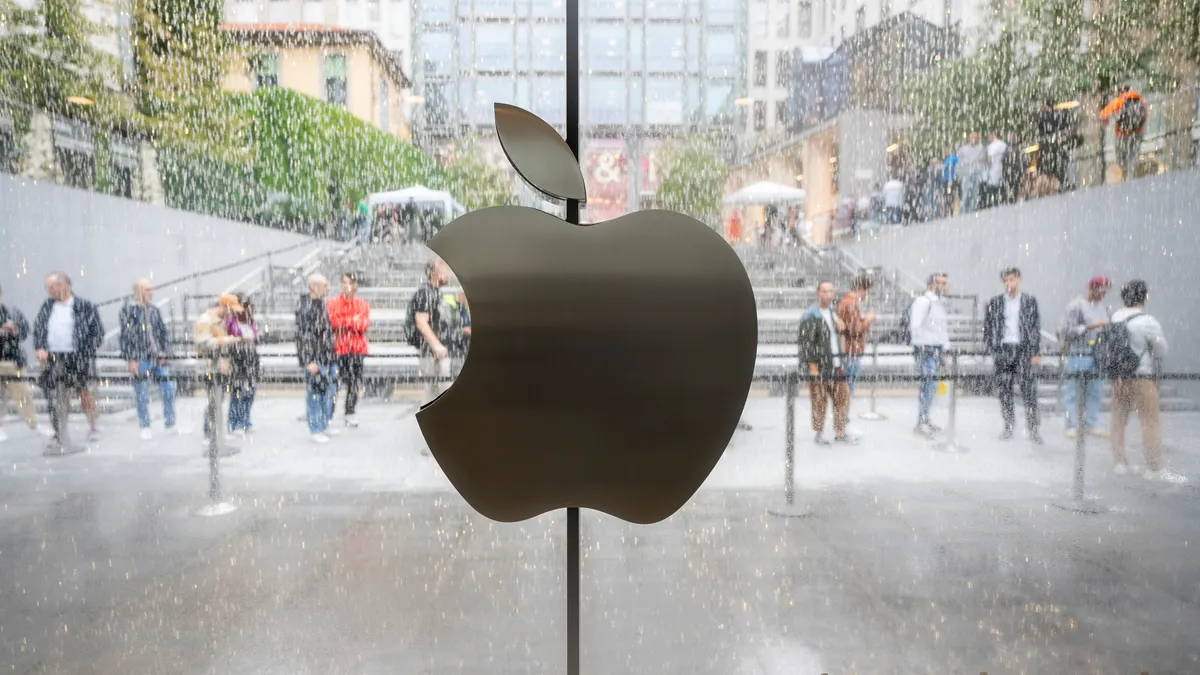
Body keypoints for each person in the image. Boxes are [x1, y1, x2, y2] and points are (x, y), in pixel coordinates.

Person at [1108, 280, 1186, 484]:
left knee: (1118, 419)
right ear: (1144, 297)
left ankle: (1120, 462)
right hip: (1141, 375)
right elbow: (1162, 350)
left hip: (1118, 377)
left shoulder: (1115, 317)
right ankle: (1154, 466)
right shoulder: (1148, 321)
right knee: (1149, 421)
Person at [33, 272, 104, 445]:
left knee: (85, 393)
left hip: (78, 357)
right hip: (54, 358)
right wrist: (40, 347)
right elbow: (39, 329)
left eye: (51, 286)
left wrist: (84, 350)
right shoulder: (47, 306)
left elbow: (97, 333)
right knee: (57, 395)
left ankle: (93, 425)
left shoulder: (84, 306)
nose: (49, 291)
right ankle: (60, 430)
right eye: (47, 287)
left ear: (64, 286)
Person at [983, 268, 1043, 444]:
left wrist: (1035, 352)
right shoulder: (995, 302)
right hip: (1004, 348)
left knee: (1029, 391)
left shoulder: (1029, 301)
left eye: (1012, 280)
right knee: (1005, 390)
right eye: (1006, 281)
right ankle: (1008, 425)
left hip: (1023, 349)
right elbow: (988, 325)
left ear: (1018, 280)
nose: (1009, 284)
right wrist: (992, 347)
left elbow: (1034, 327)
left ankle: (1033, 429)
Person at [119, 278, 179, 441]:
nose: (151, 293)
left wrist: (165, 352)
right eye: (147, 290)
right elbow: (126, 336)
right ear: (138, 291)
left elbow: (162, 332)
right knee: (141, 393)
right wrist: (131, 358)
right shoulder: (129, 310)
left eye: (151, 289)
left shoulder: (153, 310)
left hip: (157, 355)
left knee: (167, 389)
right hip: (140, 357)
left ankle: (170, 422)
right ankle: (145, 425)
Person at [799, 281, 853, 445]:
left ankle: (840, 432)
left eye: (831, 291)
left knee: (842, 398)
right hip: (820, 366)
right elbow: (806, 343)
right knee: (819, 400)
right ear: (818, 294)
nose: (829, 295)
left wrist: (841, 325)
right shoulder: (811, 315)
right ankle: (819, 433)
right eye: (825, 291)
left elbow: (840, 333)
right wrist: (812, 367)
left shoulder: (831, 312)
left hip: (836, 364)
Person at [1058, 276, 1112, 439]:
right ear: (1092, 288)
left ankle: (1091, 423)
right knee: (1073, 390)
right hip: (1079, 352)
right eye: (1101, 289)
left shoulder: (1103, 308)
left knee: (1095, 390)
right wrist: (1088, 327)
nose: (1103, 293)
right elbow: (1065, 330)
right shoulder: (1076, 306)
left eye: (1105, 290)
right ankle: (1071, 424)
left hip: (1098, 353)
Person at [411, 260, 452, 455]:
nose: (448, 273)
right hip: (432, 354)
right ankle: (433, 442)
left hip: (440, 352)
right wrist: (436, 345)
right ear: (434, 273)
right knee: (433, 395)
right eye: (444, 269)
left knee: (440, 394)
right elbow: (421, 321)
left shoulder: (436, 293)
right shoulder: (425, 293)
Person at [194, 294, 244, 445]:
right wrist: (228, 340)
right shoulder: (205, 320)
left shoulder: (219, 321)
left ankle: (216, 432)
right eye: (231, 309)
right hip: (209, 367)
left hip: (219, 366)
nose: (232, 313)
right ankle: (209, 433)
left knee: (218, 398)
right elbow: (203, 342)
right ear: (224, 306)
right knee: (213, 400)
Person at [296, 274, 338, 444]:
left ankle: (324, 423)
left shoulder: (320, 305)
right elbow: (302, 337)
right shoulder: (305, 307)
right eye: (325, 286)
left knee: (328, 392)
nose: (327, 289)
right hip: (316, 358)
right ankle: (315, 428)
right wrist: (308, 361)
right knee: (315, 393)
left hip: (327, 355)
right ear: (314, 287)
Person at [327, 272, 370, 428]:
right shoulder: (333, 303)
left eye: (350, 282)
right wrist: (352, 321)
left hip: (357, 349)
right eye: (344, 282)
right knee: (335, 383)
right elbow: (333, 323)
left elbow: (363, 325)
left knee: (355, 383)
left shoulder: (362, 304)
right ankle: (328, 413)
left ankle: (350, 412)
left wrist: (345, 322)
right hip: (339, 349)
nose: (347, 286)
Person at [910, 273, 950, 436]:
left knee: (932, 386)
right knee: (928, 385)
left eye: (945, 283)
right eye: (939, 283)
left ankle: (925, 418)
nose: (942, 286)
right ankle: (921, 421)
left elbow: (941, 328)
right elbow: (915, 324)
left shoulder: (940, 303)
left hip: (937, 348)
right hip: (926, 349)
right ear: (931, 284)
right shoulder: (923, 302)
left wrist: (944, 349)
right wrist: (920, 344)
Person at [0, 284, 37, 442]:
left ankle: (33, 424)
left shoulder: (12, 311)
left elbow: (25, 330)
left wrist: (14, 330)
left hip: (13, 360)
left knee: (23, 393)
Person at [836, 275, 876, 408]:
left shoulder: (846, 302)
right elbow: (855, 329)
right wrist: (868, 320)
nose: (867, 295)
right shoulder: (851, 303)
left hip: (849, 349)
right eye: (867, 291)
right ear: (861, 289)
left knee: (846, 385)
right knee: (848, 386)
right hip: (851, 349)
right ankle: (842, 415)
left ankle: (842, 414)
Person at [225, 293, 260, 436]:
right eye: (245, 307)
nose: (247, 310)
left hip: (251, 359)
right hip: (237, 360)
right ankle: (234, 423)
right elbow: (228, 339)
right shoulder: (231, 322)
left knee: (250, 392)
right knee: (238, 392)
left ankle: (246, 420)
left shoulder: (250, 323)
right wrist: (239, 340)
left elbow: (256, 338)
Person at [1099, 85, 1147, 181]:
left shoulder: (1120, 100)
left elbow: (1103, 115)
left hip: (1123, 134)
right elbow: (1145, 115)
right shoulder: (1140, 99)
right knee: (1133, 155)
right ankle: (1131, 176)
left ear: (1120, 92)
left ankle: (1127, 177)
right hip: (1138, 133)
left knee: (1121, 158)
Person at [956, 132, 986, 213]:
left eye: (976, 137)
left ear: (978, 139)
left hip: (977, 174)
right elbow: (958, 163)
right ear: (969, 139)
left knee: (975, 195)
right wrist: (959, 175)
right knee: (965, 195)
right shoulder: (963, 149)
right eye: (972, 137)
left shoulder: (981, 148)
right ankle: (963, 213)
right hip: (966, 174)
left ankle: (972, 212)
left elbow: (983, 162)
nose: (974, 139)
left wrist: (983, 174)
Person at [984, 131, 1008, 209]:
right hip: (1000, 167)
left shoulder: (993, 146)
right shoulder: (1002, 143)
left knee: (991, 187)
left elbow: (990, 158)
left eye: (989, 136)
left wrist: (987, 167)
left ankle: (993, 204)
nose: (988, 138)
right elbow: (1005, 154)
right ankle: (1001, 202)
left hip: (993, 169)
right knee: (999, 186)